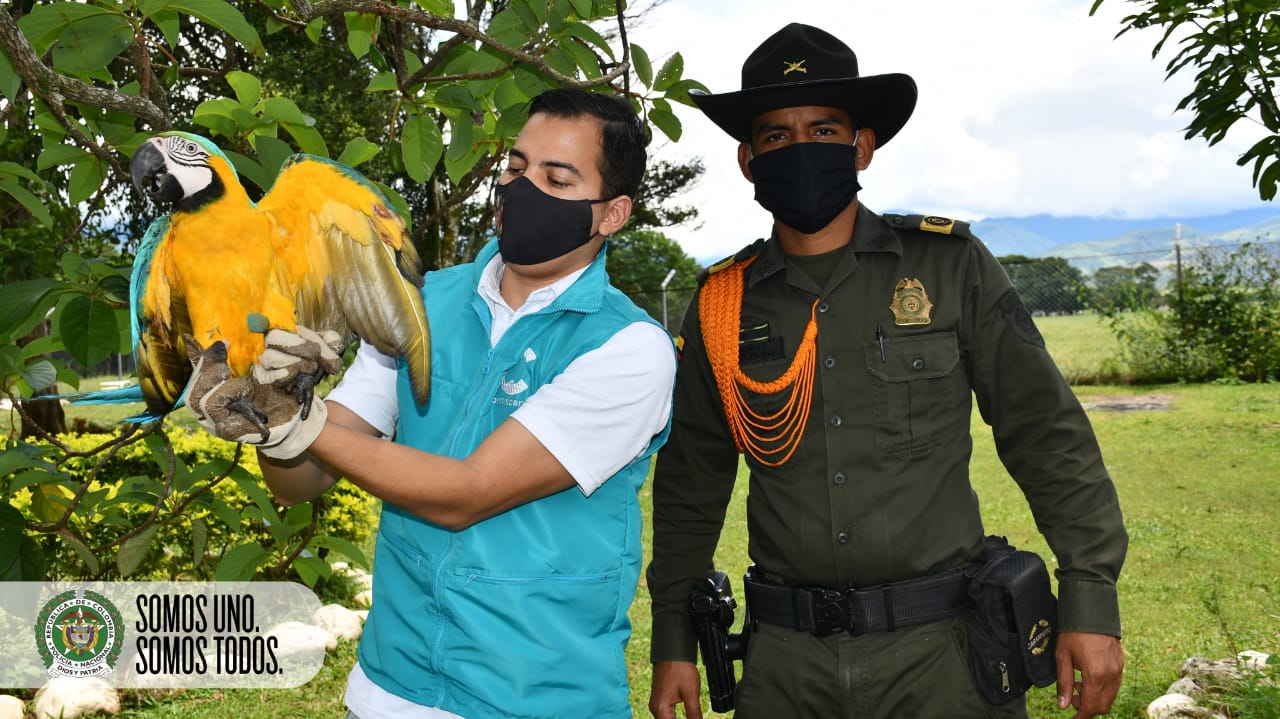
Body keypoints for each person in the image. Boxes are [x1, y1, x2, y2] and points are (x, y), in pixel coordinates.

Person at [645, 23, 1127, 719]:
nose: (800, 148)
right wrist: (673, 641)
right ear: (749, 161)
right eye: (776, 137)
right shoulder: (723, 303)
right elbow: (692, 481)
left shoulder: (948, 266)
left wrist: (1090, 599)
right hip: (787, 664)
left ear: (862, 147)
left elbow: (1045, 433)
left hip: (945, 658)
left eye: (823, 129)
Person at [188, 88, 676, 719]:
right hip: (392, 685)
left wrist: (292, 418)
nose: (522, 189)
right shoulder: (417, 304)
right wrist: (274, 421)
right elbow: (301, 482)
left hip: (533, 695)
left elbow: (467, 493)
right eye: (516, 168)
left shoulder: (630, 347)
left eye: (557, 178)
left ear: (611, 214)